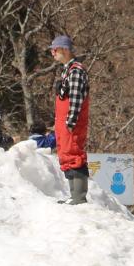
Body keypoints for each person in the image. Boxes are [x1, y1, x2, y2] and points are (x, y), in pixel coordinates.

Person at [48, 34, 92, 204]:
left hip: (71, 123)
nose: (53, 53)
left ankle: (79, 197)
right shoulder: (67, 70)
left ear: (65, 50)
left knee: (74, 155)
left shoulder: (76, 71)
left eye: (55, 49)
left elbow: (76, 99)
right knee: (66, 155)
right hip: (63, 123)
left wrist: (70, 122)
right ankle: (73, 196)